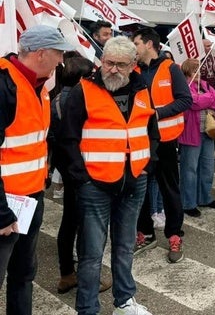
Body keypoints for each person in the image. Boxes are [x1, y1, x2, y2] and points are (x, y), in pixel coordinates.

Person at [59, 36, 158, 315]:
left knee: (125, 247)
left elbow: (152, 132)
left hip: (134, 180)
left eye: (120, 64)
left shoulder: (142, 89)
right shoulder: (84, 90)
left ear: (133, 65)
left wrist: (148, 164)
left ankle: (125, 301)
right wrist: (81, 177)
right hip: (95, 184)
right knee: (91, 253)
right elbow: (67, 138)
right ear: (101, 61)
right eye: (108, 62)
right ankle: (88, 308)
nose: (112, 69)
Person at [0, 25, 71, 314]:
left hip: (30, 199)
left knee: (23, 274)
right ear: (41, 53)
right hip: (5, 206)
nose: (61, 61)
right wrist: (1, 211)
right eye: (59, 54)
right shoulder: (5, 84)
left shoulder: (39, 87)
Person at [49, 53, 113, 295]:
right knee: (86, 225)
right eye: (90, 75)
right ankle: (88, 278)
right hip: (83, 168)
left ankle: (67, 273)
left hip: (65, 167)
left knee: (69, 221)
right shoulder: (78, 100)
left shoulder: (54, 99)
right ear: (82, 78)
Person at [133, 27, 192, 263]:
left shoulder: (171, 69)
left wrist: (158, 113)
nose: (133, 48)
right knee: (141, 190)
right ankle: (146, 233)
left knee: (169, 190)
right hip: (140, 141)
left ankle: (175, 235)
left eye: (136, 43)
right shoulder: (133, 70)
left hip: (166, 141)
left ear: (149, 44)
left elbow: (185, 100)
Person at [178, 59, 215, 217]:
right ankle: (188, 202)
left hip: (208, 132)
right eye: (195, 68)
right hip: (191, 132)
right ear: (188, 70)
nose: (199, 71)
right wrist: (208, 99)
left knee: (207, 167)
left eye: (199, 68)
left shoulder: (205, 85)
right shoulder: (184, 85)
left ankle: (205, 197)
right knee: (189, 169)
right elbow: (193, 102)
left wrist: (205, 99)